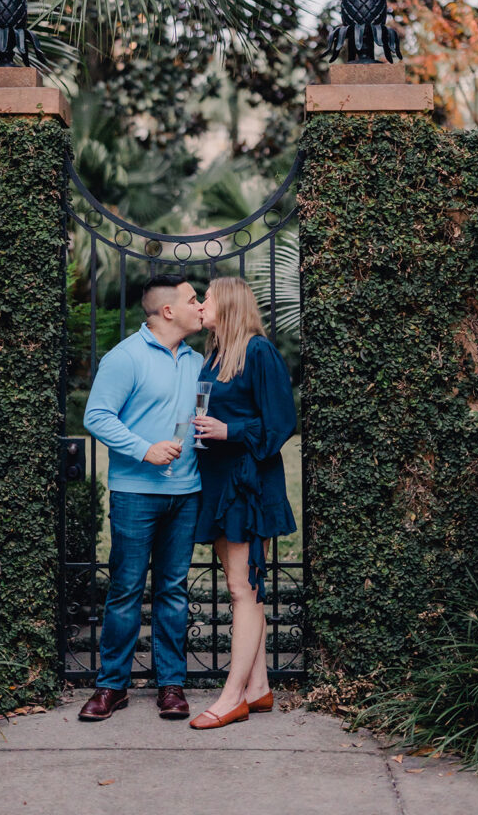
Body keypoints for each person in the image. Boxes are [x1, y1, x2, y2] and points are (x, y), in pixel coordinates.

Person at [79, 274, 203, 721]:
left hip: (187, 493)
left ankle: (171, 685)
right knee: (127, 589)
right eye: (194, 299)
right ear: (168, 310)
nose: (201, 305)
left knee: (171, 591)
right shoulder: (126, 357)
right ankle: (112, 686)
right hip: (135, 493)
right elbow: (97, 415)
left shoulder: (195, 361)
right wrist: (143, 448)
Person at [189, 276, 297, 730]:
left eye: (206, 298)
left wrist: (229, 432)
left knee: (242, 590)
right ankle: (259, 688)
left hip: (247, 484)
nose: (201, 306)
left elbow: (281, 425)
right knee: (242, 589)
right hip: (215, 482)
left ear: (228, 303)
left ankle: (232, 697)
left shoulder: (259, 352)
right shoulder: (214, 356)